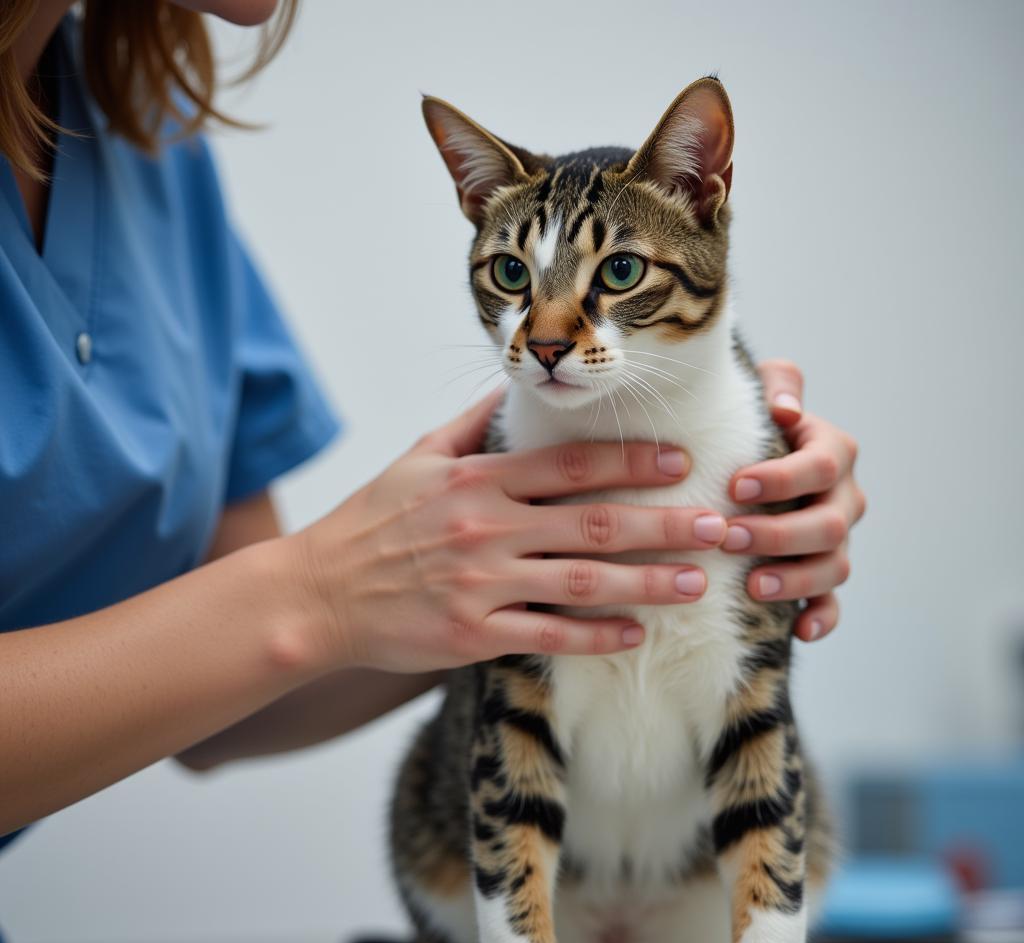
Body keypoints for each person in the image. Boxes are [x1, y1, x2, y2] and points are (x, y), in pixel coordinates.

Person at [0, 2, 864, 870]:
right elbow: (265, 630)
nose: (554, 329)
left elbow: (222, 705)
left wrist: (543, 572)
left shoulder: (141, 126)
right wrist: (321, 595)